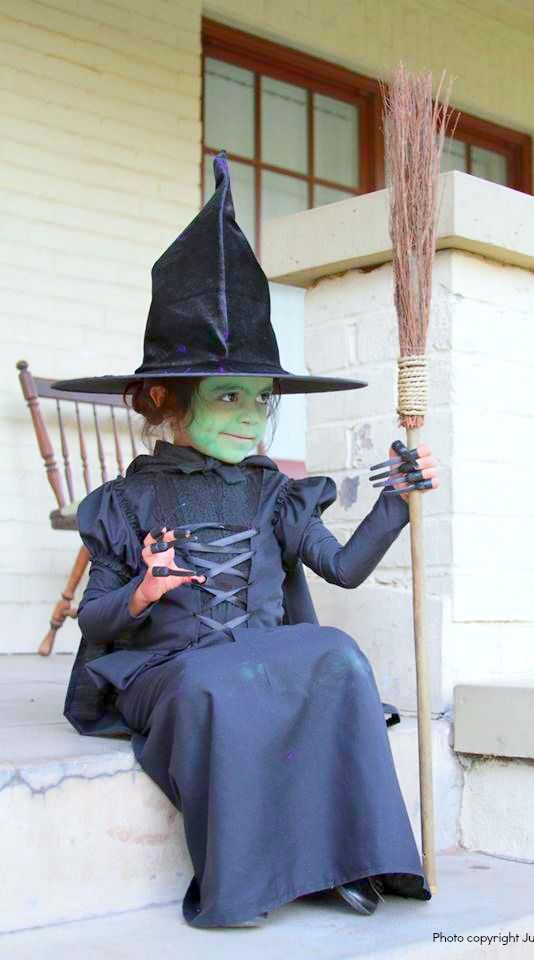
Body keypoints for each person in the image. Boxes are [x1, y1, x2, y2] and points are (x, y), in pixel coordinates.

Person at [52, 150, 440, 929]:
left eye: (260, 401)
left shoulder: (271, 492)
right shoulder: (128, 502)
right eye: (228, 395)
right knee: (214, 687)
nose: (247, 416)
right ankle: (254, 879)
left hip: (264, 650)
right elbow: (93, 621)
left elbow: (343, 569)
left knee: (336, 655)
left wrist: (396, 505)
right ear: (164, 396)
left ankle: (351, 860)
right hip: (174, 669)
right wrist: (142, 591)